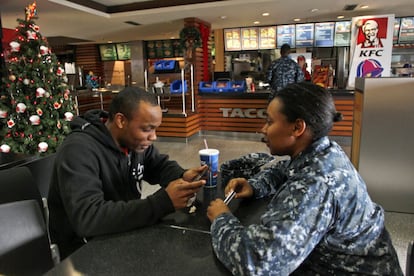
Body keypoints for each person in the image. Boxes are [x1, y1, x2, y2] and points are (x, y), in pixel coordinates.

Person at [207, 82, 402, 275]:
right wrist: (255, 186)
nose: (263, 129)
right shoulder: (324, 151)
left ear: (298, 127)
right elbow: (287, 169)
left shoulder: (315, 185)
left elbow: (258, 265)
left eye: (270, 122)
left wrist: (221, 218)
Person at [48, 87, 206, 258]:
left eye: (155, 129)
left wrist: (182, 175)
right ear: (121, 121)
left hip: (121, 233)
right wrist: (162, 202)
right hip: (82, 251)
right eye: (147, 129)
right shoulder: (78, 150)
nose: (153, 137)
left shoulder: (134, 142)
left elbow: (157, 165)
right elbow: (88, 218)